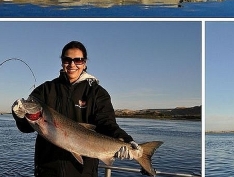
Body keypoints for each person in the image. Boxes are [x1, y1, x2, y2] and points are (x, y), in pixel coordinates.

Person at [12, 41, 139, 177]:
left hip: (83, 172)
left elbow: (107, 123)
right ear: (62, 62)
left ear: (84, 63)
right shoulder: (45, 90)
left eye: (78, 60)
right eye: (67, 60)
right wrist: (19, 115)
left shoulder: (97, 93)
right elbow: (26, 128)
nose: (72, 64)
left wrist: (126, 140)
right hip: (47, 171)